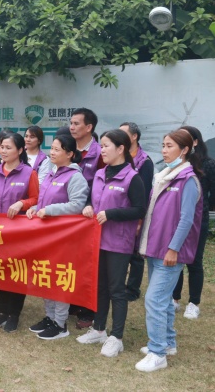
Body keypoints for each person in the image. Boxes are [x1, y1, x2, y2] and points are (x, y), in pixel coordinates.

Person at [135, 129, 203, 372]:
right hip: (155, 247)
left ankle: (157, 352)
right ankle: (168, 343)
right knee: (162, 300)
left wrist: (174, 249)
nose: (164, 150)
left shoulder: (188, 180)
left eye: (170, 146)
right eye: (163, 145)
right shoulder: (164, 176)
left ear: (184, 150)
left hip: (170, 252)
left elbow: (186, 219)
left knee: (154, 299)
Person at [76, 129, 146, 357]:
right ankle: (98, 329)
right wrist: (88, 206)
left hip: (118, 242)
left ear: (121, 148)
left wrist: (112, 213)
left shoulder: (132, 177)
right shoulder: (99, 174)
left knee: (116, 289)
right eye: (102, 146)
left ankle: (116, 337)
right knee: (100, 287)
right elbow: (92, 198)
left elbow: (139, 209)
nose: (102, 150)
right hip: (97, 240)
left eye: (106, 146)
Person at [27, 134, 89, 340]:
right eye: (51, 148)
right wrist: (35, 208)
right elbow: (43, 199)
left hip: (63, 238)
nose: (51, 153)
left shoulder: (75, 177)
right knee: (45, 276)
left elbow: (77, 205)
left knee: (60, 279)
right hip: (45, 236)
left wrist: (50, 210)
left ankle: (60, 324)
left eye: (57, 149)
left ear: (69, 154)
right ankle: (50, 317)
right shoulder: (52, 173)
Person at [0, 132, 39, 332]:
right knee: (0, 269)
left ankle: (14, 314)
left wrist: (21, 203)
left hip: (19, 232)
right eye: (1, 147)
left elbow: (36, 198)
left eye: (8, 147)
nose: (3, 151)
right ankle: (2, 310)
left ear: (20, 150)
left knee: (17, 271)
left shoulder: (28, 173)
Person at [172, 125, 214, 320]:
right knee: (175, 257)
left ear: (195, 142)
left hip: (198, 220)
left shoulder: (208, 164)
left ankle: (193, 303)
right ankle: (174, 299)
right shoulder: (176, 163)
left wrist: (203, 207)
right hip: (176, 218)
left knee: (194, 261)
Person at [69, 107, 104, 328]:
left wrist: (91, 205)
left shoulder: (100, 153)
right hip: (68, 216)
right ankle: (73, 303)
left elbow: (103, 185)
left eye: (77, 123)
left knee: (88, 264)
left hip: (89, 217)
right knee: (70, 261)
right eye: (71, 123)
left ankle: (88, 311)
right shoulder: (67, 148)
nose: (72, 127)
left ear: (89, 127)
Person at [119, 122, 154, 302]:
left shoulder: (145, 161)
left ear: (134, 137)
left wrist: (140, 219)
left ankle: (133, 289)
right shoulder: (120, 156)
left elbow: (145, 192)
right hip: (120, 210)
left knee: (136, 252)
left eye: (124, 133)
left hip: (136, 211)